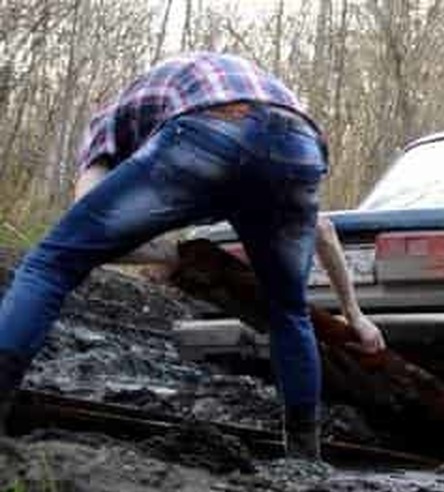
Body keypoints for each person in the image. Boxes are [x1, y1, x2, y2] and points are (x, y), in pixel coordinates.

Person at [0, 51, 384, 459]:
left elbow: (88, 228)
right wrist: (354, 315)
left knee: (51, 261)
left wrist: (168, 255)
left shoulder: (107, 120)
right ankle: (305, 458)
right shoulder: (219, 86)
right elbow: (322, 228)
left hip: (212, 127)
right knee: (288, 311)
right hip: (302, 145)